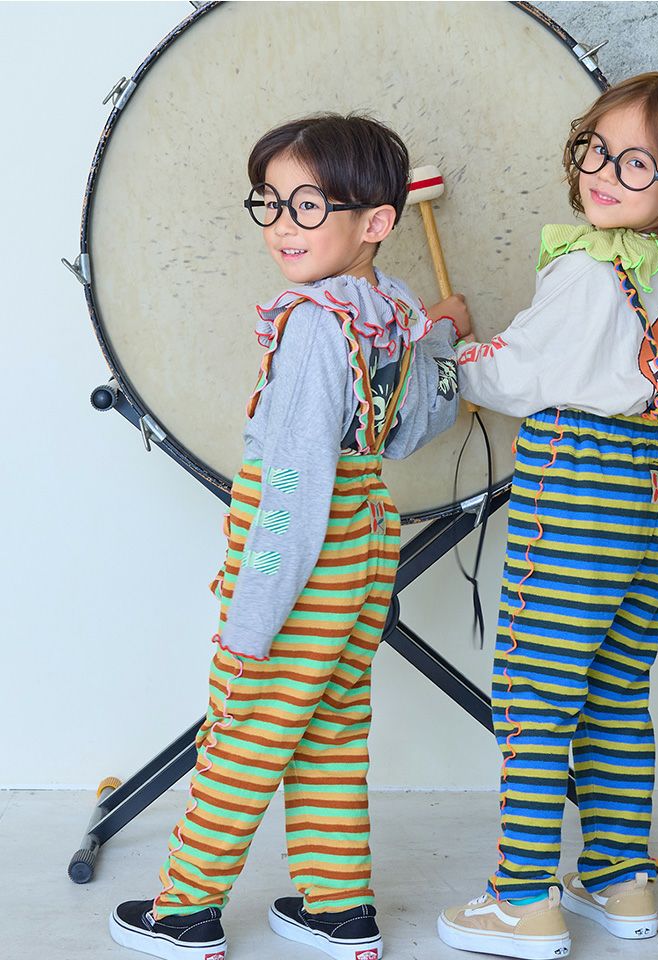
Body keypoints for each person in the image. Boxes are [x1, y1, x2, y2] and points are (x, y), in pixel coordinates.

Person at [109, 113, 466, 960]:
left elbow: (293, 487)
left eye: (309, 206)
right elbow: (414, 431)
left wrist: (255, 615)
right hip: (365, 544)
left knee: (247, 728)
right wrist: (443, 339)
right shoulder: (394, 312)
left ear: (376, 221)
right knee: (329, 728)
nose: (281, 225)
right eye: (269, 203)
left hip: (302, 552)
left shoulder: (313, 323)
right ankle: (339, 911)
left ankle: (185, 913)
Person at [438, 73, 658, 960]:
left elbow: (518, 373)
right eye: (595, 150)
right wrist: (646, 478)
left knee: (535, 696)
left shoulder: (586, 268)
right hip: (648, 495)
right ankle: (619, 876)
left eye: (635, 162)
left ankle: (523, 900)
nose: (603, 172)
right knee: (615, 694)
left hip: (573, 493)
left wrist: (452, 347)